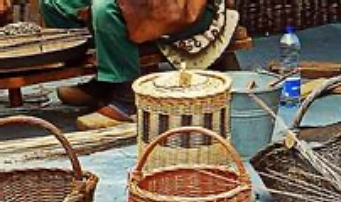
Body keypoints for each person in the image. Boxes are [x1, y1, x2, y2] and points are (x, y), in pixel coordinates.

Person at [39, 0, 214, 129]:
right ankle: (106, 82)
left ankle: (127, 101)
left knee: (105, 10)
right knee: (53, 4)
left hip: (181, 7)